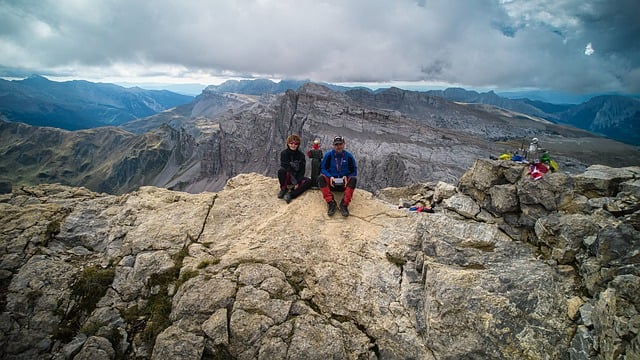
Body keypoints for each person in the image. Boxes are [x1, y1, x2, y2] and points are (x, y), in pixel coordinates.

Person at [318, 135, 358, 217]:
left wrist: (346, 177)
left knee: (353, 179)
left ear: (344, 144)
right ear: (333, 145)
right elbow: (322, 168)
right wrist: (330, 176)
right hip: (331, 183)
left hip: (344, 184)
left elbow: (354, 171)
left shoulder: (349, 156)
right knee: (321, 178)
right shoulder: (328, 155)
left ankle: (344, 204)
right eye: (336, 145)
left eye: (340, 144)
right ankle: (331, 202)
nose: (338, 146)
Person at [277, 134, 311, 203]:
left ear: (298, 145)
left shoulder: (301, 156)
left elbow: (302, 171)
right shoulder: (284, 153)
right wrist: (295, 182)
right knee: (281, 171)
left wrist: (298, 181)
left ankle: (291, 194)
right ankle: (283, 189)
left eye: (296, 143)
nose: (293, 145)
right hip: (288, 176)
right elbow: (287, 168)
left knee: (308, 181)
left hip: (297, 176)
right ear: (288, 143)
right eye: (291, 143)